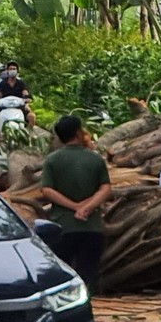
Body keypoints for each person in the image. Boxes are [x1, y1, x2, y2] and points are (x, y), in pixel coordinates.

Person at [39, 115, 112, 293]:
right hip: (91, 226)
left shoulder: (52, 160)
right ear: (79, 133)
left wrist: (73, 207)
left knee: (62, 274)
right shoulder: (95, 159)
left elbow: (47, 190)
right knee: (89, 273)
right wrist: (86, 208)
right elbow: (105, 189)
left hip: (62, 226)